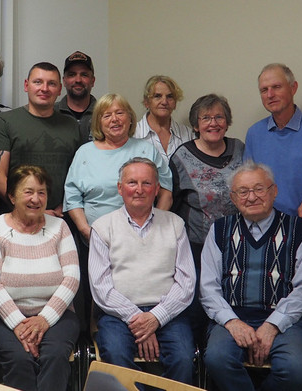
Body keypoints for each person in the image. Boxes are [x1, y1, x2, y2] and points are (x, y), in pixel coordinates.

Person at [201, 161, 302, 391]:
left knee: (297, 371)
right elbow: (208, 288)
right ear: (233, 199)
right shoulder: (220, 230)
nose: (251, 197)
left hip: (286, 321)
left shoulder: (300, 230)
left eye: (258, 189)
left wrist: (272, 325)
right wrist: (232, 321)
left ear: (273, 191)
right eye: (243, 192)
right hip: (231, 318)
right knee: (216, 360)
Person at [89, 157, 196, 385]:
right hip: (117, 314)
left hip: (168, 313)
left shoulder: (175, 224)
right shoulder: (102, 227)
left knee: (184, 358)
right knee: (115, 356)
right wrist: (139, 320)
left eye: (146, 183)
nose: (139, 190)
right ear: (120, 188)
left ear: (157, 189)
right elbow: (101, 287)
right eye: (132, 183)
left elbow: (186, 282)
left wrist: (156, 317)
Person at [0, 165, 81, 391]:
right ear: (12, 196)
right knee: (19, 358)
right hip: (0, 317)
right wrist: (19, 325)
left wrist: (44, 319)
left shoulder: (60, 227)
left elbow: (72, 278)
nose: (36, 198)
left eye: (42, 192)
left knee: (54, 355)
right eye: (28, 191)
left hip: (57, 314)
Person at [168, 93, 244, 338]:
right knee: (198, 313)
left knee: (234, 310)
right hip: (197, 249)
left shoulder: (240, 149)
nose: (213, 123)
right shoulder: (182, 157)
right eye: (206, 118)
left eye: (219, 117)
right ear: (195, 124)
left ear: (227, 121)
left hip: (237, 247)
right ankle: (199, 369)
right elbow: (172, 205)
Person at [65, 93, 173, 244]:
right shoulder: (84, 153)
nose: (114, 119)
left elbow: (166, 190)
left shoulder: (147, 150)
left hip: (143, 238)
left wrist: (155, 225)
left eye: (120, 113)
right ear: (98, 123)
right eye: (107, 115)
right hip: (95, 238)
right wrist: (85, 230)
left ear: (130, 118)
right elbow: (72, 197)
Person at [0, 62, 88, 214]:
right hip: (17, 218)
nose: (44, 89)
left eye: (52, 84)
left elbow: (79, 175)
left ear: (60, 89)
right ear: (26, 85)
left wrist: (65, 206)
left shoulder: (71, 125)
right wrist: (33, 209)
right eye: (38, 82)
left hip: (61, 217)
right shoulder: (5, 122)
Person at [243, 63, 302, 230]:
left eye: (276, 87)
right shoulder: (254, 134)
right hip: (261, 230)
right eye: (264, 90)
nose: (270, 95)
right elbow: (248, 186)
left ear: (293, 88)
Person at [133, 75, 196, 162]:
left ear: (175, 103)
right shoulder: (133, 134)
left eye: (170, 96)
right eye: (157, 96)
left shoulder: (188, 135)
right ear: (146, 102)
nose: (164, 102)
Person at [55, 51, 97, 139]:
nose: (78, 80)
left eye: (84, 75)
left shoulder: (104, 113)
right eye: (72, 74)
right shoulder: (51, 113)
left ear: (92, 81)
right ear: (64, 81)